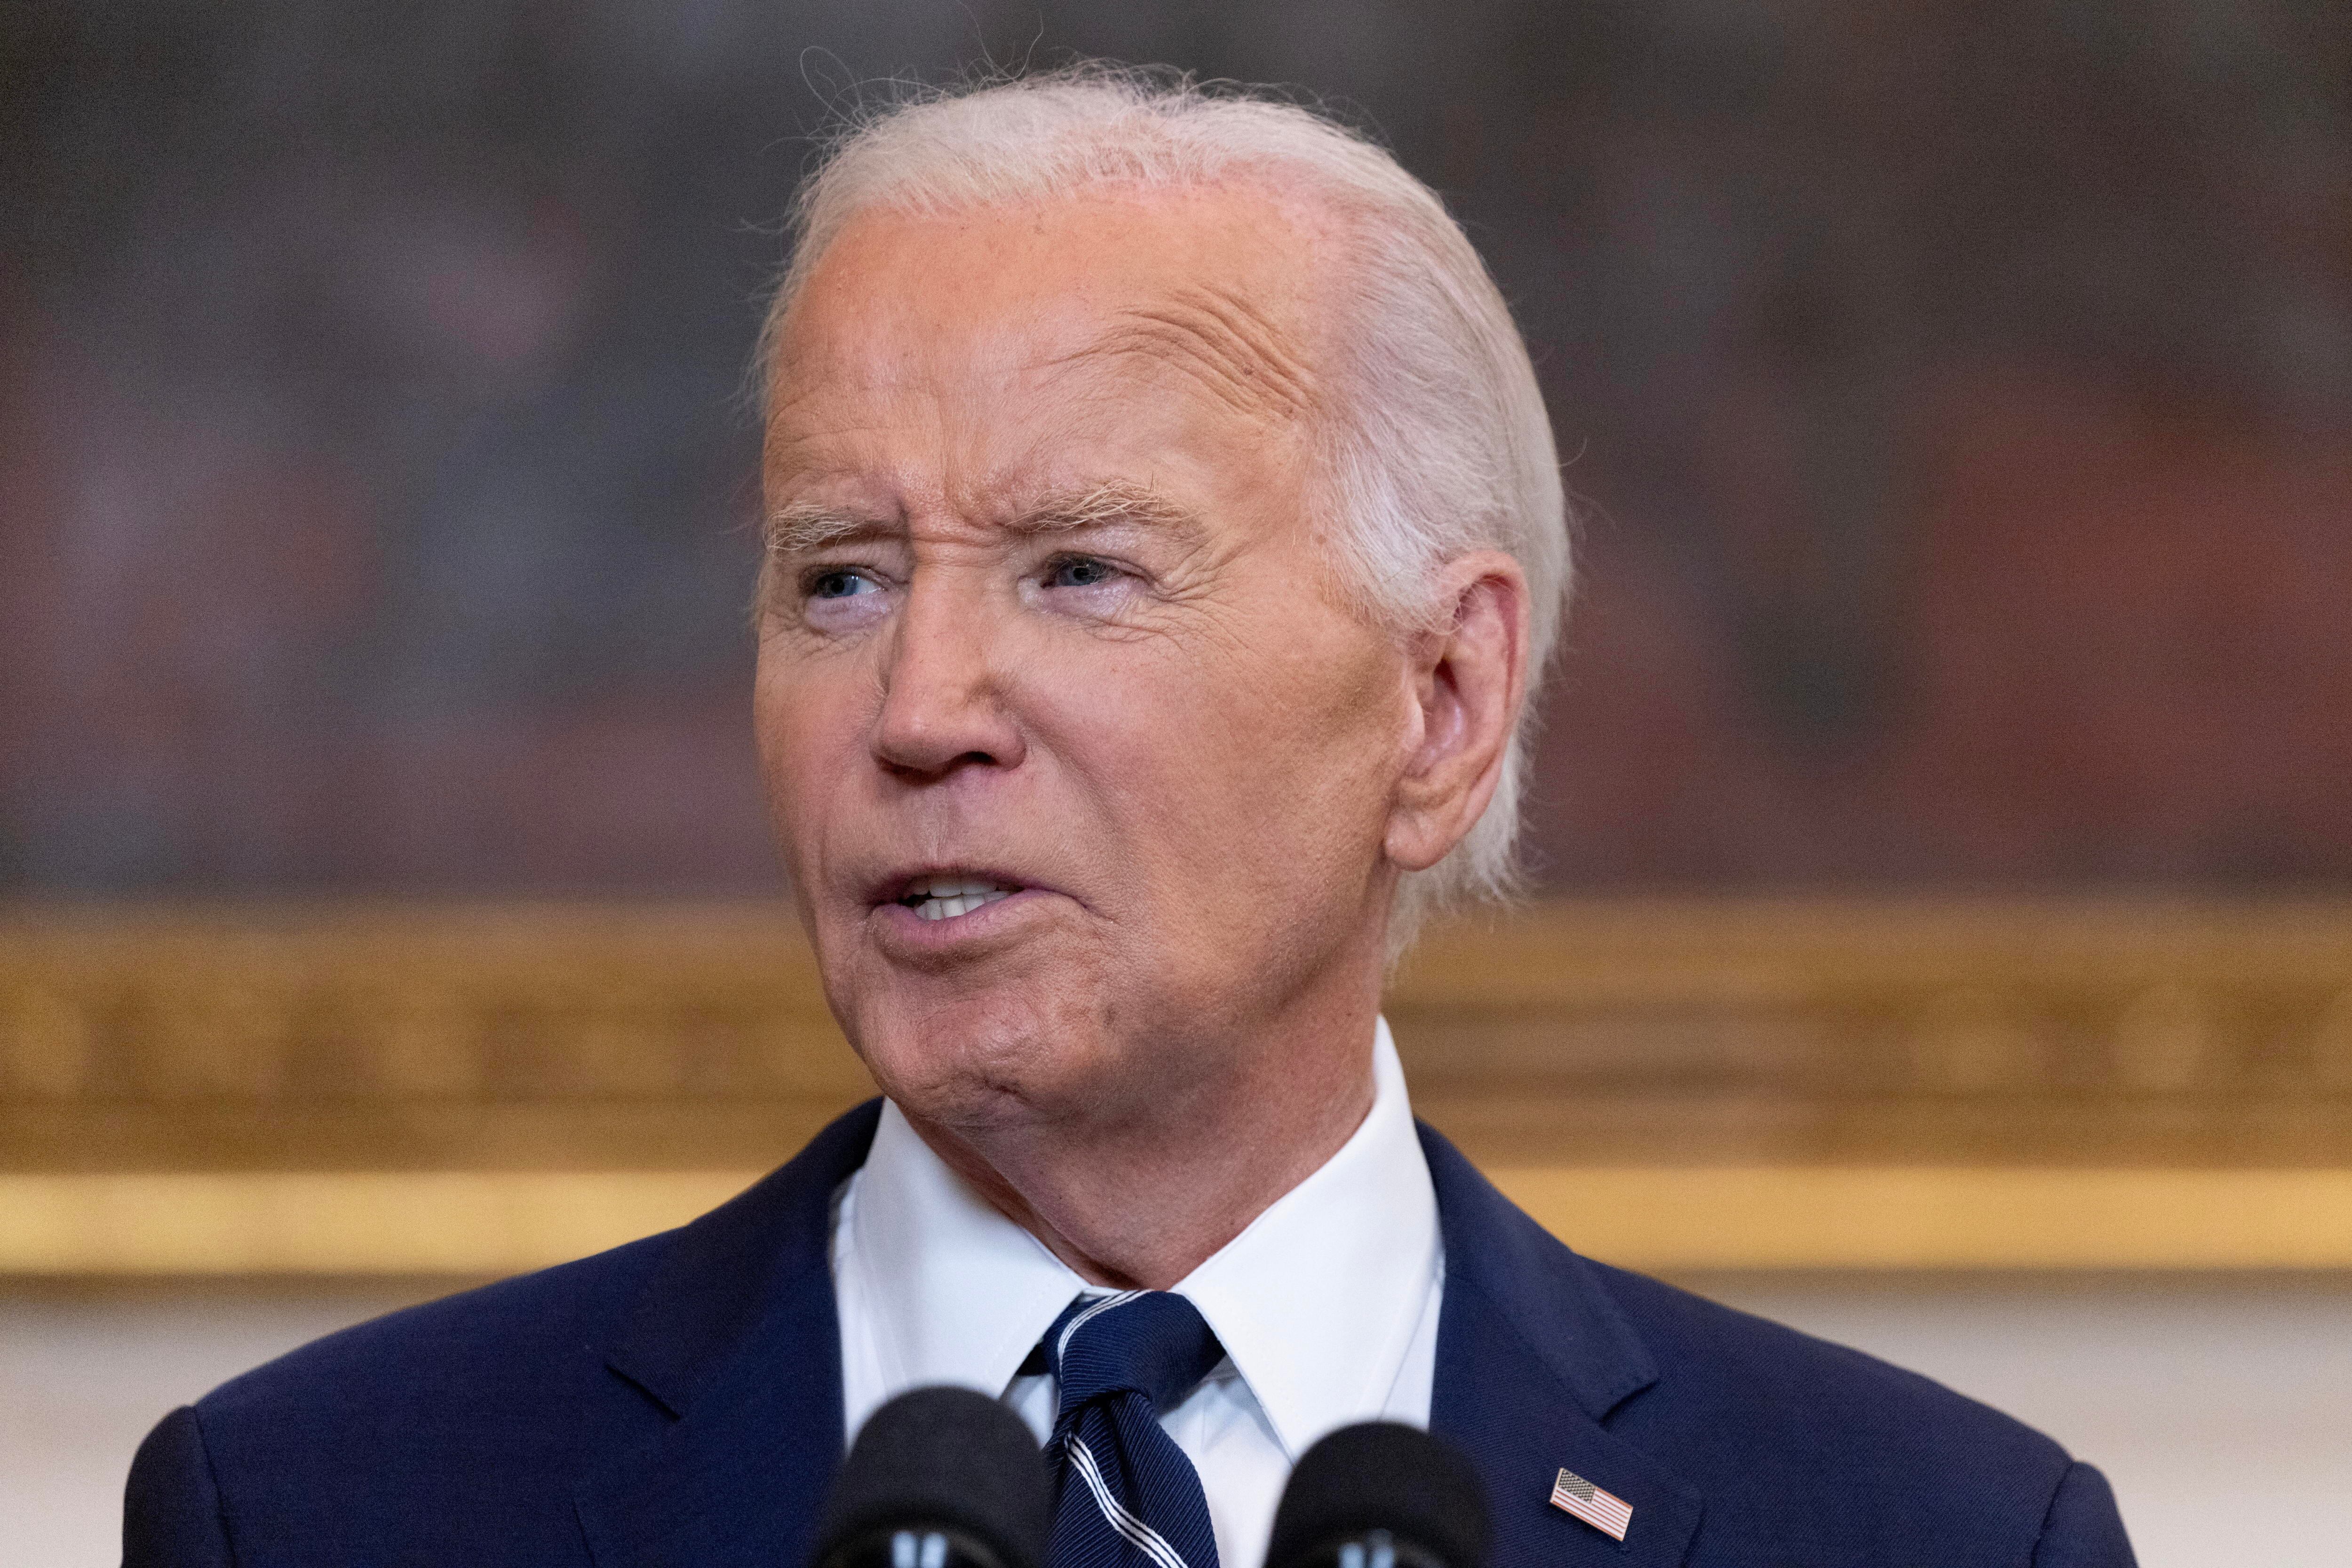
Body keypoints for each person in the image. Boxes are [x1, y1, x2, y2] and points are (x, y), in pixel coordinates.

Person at [124, 66, 2135, 1568]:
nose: (915, 712)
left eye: (1077, 569)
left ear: (1438, 704)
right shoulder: (315, 1510)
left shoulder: (1931, 1535)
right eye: (838, 576)